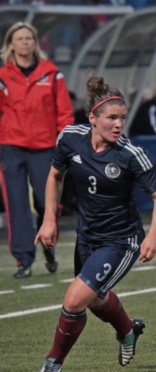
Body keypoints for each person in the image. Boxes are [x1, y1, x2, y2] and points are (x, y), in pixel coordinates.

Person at [37, 75, 156, 371]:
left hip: (121, 241)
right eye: (112, 118)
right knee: (96, 301)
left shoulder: (131, 155)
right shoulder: (69, 138)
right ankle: (127, 331)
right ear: (92, 118)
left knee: (74, 301)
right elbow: (55, 176)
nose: (118, 125)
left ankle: (53, 363)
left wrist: (152, 238)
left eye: (122, 118)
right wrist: (49, 219)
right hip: (87, 238)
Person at [0, 22, 74, 279]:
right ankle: (23, 260)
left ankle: (48, 246)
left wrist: (66, 144)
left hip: (45, 148)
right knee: (17, 203)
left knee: (47, 203)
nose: (25, 42)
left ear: (35, 43)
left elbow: (64, 113)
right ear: (11, 44)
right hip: (11, 147)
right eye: (19, 38)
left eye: (29, 38)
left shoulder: (52, 74)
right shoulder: (2, 76)